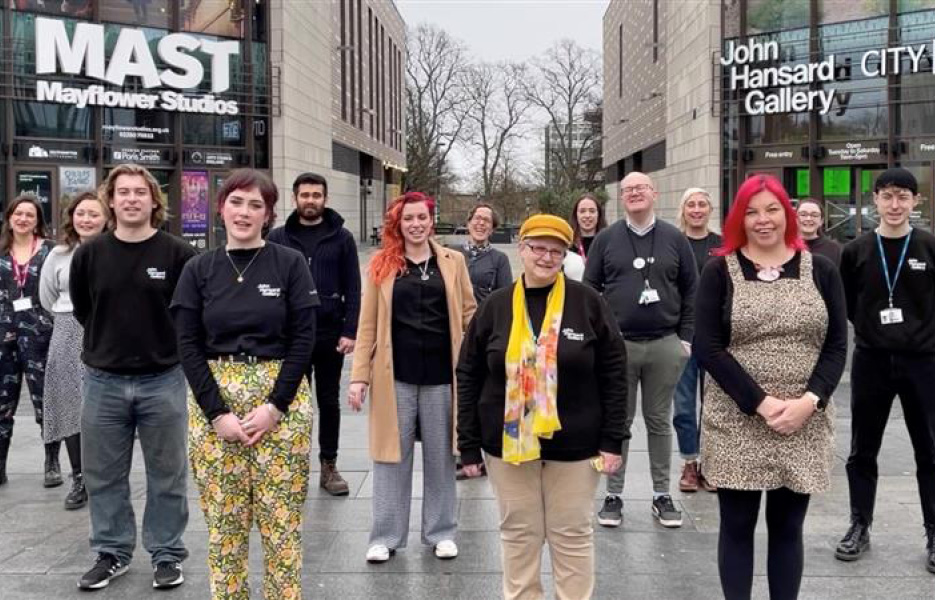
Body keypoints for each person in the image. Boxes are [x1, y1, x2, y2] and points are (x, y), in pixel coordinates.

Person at [457, 214, 627, 600]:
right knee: (519, 534)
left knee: (572, 535)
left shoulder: (589, 303)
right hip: (508, 446)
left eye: (556, 251)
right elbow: (468, 373)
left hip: (578, 445)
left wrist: (613, 439)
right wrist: (467, 444)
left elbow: (614, 371)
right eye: (538, 247)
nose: (547, 257)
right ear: (521, 249)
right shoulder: (496, 307)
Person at [695, 174, 847, 600]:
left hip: (804, 420)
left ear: (788, 214)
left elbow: (837, 345)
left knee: (787, 529)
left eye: (772, 209)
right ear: (739, 218)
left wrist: (809, 402)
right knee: (738, 527)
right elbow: (707, 347)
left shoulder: (822, 269)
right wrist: (761, 403)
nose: (763, 220)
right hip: (736, 418)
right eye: (751, 211)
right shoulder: (718, 270)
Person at [172, 169, 318, 599]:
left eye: (256, 205)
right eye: (237, 202)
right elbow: (188, 344)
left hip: (281, 402)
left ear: (268, 215)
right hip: (215, 405)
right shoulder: (198, 269)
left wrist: (275, 407)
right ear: (221, 208)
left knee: (281, 526)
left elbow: (304, 339)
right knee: (224, 528)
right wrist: (216, 414)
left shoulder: (290, 264)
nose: (245, 212)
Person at [70, 164, 196, 591]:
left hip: (163, 379)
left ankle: (166, 554)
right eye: (122, 192)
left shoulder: (178, 254)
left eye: (139, 192)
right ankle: (112, 552)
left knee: (168, 473)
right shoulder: (90, 254)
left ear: (153, 201)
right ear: (111, 200)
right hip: (103, 381)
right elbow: (84, 309)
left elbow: (189, 314)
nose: (131, 199)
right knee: (103, 474)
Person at [348, 191, 476, 563]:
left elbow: (470, 314)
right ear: (398, 224)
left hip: (441, 376)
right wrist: (359, 378)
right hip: (395, 377)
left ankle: (441, 532)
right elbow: (367, 325)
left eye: (422, 218)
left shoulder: (453, 262)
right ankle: (385, 536)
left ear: (431, 221)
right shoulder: (382, 265)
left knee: (440, 457)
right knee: (390, 457)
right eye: (409, 219)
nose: (416, 224)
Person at [835, 167, 935, 574]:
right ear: (875, 200)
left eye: (903, 197)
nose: (895, 205)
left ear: (915, 202)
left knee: (929, 449)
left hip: (923, 362)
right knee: (863, 448)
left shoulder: (929, 247)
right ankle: (860, 524)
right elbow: (845, 303)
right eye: (887, 196)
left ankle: (933, 530)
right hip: (872, 360)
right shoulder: (856, 251)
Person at [584, 171, 697, 529]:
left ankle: (661, 494)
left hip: (665, 343)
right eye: (628, 190)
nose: (634, 194)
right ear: (622, 197)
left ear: (654, 193)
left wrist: (685, 338)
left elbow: (692, 290)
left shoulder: (674, 239)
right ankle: (613, 494)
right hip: (619, 346)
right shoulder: (606, 239)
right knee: (617, 421)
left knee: (659, 421)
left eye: (640, 188)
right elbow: (590, 288)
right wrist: (599, 337)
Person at [268, 172, 360, 496]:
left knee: (328, 401)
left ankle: (329, 465)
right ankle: (291, 467)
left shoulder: (342, 238)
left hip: (330, 332)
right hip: (290, 335)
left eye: (316, 195)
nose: (310, 200)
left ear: (325, 198)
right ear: (295, 198)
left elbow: (354, 286)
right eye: (305, 195)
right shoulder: (278, 237)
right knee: (290, 402)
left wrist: (350, 330)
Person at [38, 192, 109, 509]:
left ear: (106, 218)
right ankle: (79, 477)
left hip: (107, 330)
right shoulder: (59, 254)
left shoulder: (114, 251)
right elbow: (46, 297)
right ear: (72, 217)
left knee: (105, 406)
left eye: (94, 214)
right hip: (67, 330)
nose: (87, 219)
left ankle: (104, 476)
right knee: (69, 405)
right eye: (81, 213)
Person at [0, 195, 56, 487]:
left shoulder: (50, 251)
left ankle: (52, 462)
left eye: (29, 215)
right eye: (18, 214)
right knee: (2, 403)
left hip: (39, 336)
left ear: (38, 221)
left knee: (44, 402)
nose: (23, 219)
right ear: (9, 218)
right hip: (2, 337)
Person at [674, 187, 721, 493]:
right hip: (684, 336)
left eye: (702, 204)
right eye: (691, 204)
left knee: (716, 404)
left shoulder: (723, 244)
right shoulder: (675, 243)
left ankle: (713, 464)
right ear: (683, 210)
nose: (697, 209)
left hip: (718, 336)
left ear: (710, 209)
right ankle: (690, 463)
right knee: (684, 404)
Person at [457, 202, 512, 305]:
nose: (481, 223)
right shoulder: (452, 254)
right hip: (454, 317)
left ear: (492, 229)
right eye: (477, 218)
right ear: (468, 224)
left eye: (487, 220)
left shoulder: (500, 259)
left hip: (483, 317)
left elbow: (505, 298)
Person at [796, 198, 842, 268]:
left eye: (814, 215)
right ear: (795, 218)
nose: (808, 218)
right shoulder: (785, 247)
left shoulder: (834, 249)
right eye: (803, 214)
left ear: (821, 221)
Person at [570, 193, 607, 260]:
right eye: (582, 211)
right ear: (576, 215)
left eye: (592, 211)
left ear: (598, 214)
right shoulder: (568, 245)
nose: (587, 215)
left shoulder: (608, 243)